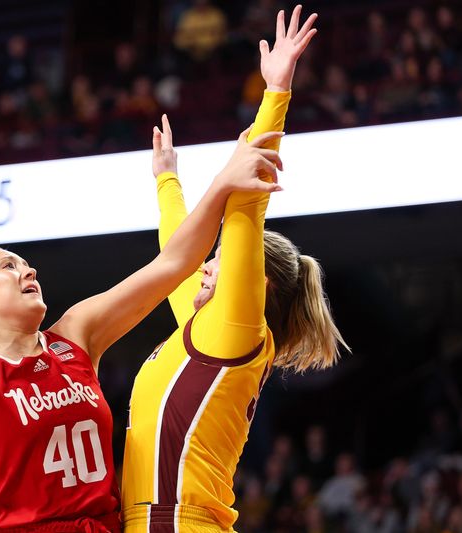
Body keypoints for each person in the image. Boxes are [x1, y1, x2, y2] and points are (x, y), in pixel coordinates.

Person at [0, 126, 285, 530]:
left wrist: (220, 186)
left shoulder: (75, 334)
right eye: (9, 266)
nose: (28, 269)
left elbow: (173, 264)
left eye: (25, 264)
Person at [121, 6, 349, 532]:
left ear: (253, 282)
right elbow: (176, 260)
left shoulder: (237, 328)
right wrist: (166, 182)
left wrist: (275, 95)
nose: (206, 267)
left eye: (219, 260)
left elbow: (245, 206)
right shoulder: (203, 333)